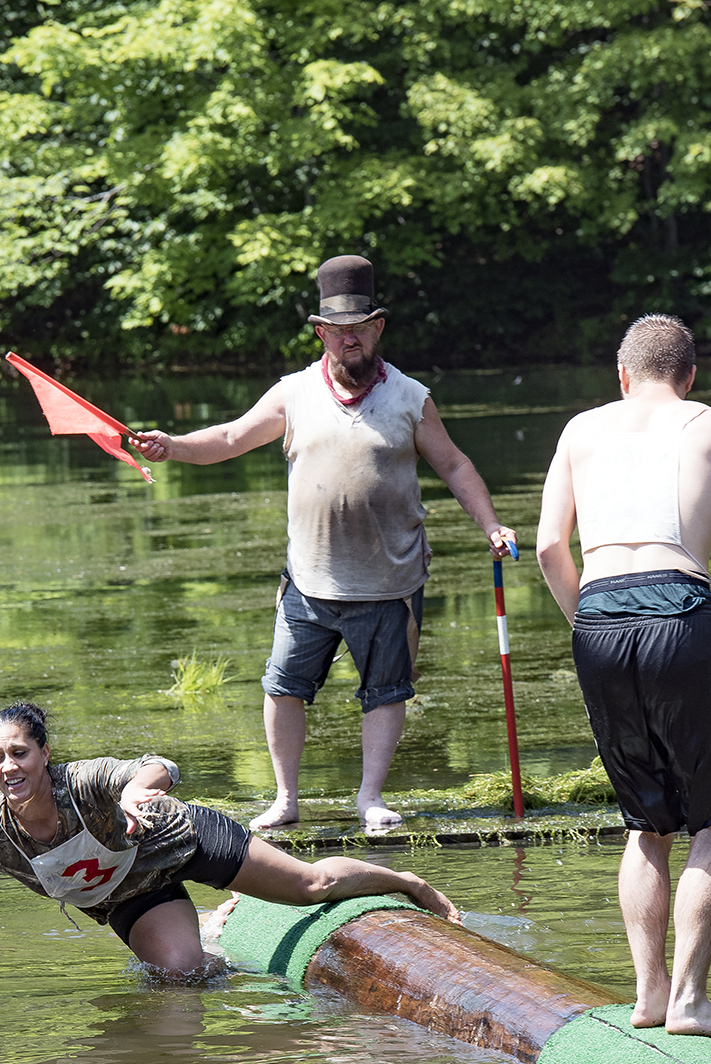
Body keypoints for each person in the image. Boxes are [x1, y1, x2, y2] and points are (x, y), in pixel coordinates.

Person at [133, 256, 515, 833]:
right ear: (322, 333)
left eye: (360, 327)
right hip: (310, 580)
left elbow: (455, 465)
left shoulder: (411, 397)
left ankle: (370, 797)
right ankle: (286, 798)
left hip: (392, 579)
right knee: (282, 685)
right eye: (338, 330)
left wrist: (491, 524)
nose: (349, 338)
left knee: (386, 691)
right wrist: (174, 446)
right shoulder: (294, 393)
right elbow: (232, 436)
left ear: (378, 327)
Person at [0, 701, 460, 979]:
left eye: (19, 754)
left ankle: (406, 883)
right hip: (129, 896)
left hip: (182, 843)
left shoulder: (84, 781)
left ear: (43, 754)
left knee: (311, 887)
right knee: (183, 978)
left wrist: (133, 792)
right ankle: (213, 931)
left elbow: (157, 767)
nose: (8, 768)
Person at [536, 313, 711, 1036]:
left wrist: (588, 626)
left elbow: (549, 544)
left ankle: (646, 994)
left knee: (645, 822)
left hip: (599, 617)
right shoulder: (703, 423)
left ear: (621, 376)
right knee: (709, 819)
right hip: (682, 610)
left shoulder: (581, 429)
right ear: (689, 375)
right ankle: (691, 1003)